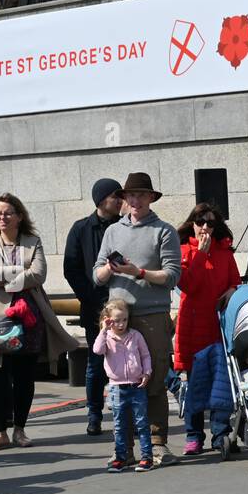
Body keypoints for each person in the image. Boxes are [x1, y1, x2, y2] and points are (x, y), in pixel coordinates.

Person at [0, 193, 76, 452]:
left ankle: (19, 429)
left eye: (8, 212)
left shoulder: (32, 241)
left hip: (28, 319)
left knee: (23, 377)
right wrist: (18, 273)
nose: (2, 217)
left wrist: (6, 280)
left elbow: (39, 274)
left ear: (19, 216)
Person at [93, 173, 182, 463]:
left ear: (151, 198)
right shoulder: (112, 231)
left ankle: (157, 443)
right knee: (121, 382)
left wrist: (138, 272)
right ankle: (126, 447)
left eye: (141, 195)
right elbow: (97, 275)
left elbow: (171, 277)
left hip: (152, 315)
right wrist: (109, 269)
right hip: (118, 316)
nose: (134, 200)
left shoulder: (164, 231)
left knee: (152, 377)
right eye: (130, 195)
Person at [174, 202, 239, 455]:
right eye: (200, 222)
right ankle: (193, 434)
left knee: (220, 381)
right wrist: (200, 253)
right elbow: (188, 285)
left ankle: (220, 433)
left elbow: (235, 280)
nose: (204, 227)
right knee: (195, 383)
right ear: (192, 223)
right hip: (192, 324)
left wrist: (232, 290)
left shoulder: (225, 252)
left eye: (210, 223)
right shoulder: (183, 250)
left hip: (217, 324)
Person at [65, 178, 121, 435]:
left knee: (127, 359)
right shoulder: (81, 229)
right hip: (93, 306)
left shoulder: (124, 226)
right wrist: (89, 296)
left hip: (123, 305)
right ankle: (94, 414)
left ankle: (124, 411)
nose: (120, 200)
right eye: (114, 196)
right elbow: (71, 268)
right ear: (101, 200)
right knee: (96, 362)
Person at [94, 299, 153, 472]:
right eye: (117, 320)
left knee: (142, 423)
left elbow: (145, 355)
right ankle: (120, 457)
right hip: (117, 387)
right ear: (108, 319)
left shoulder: (135, 335)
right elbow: (97, 350)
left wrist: (147, 372)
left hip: (137, 386)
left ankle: (146, 457)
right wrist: (104, 330)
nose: (121, 324)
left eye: (124, 320)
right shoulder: (107, 337)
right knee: (119, 424)